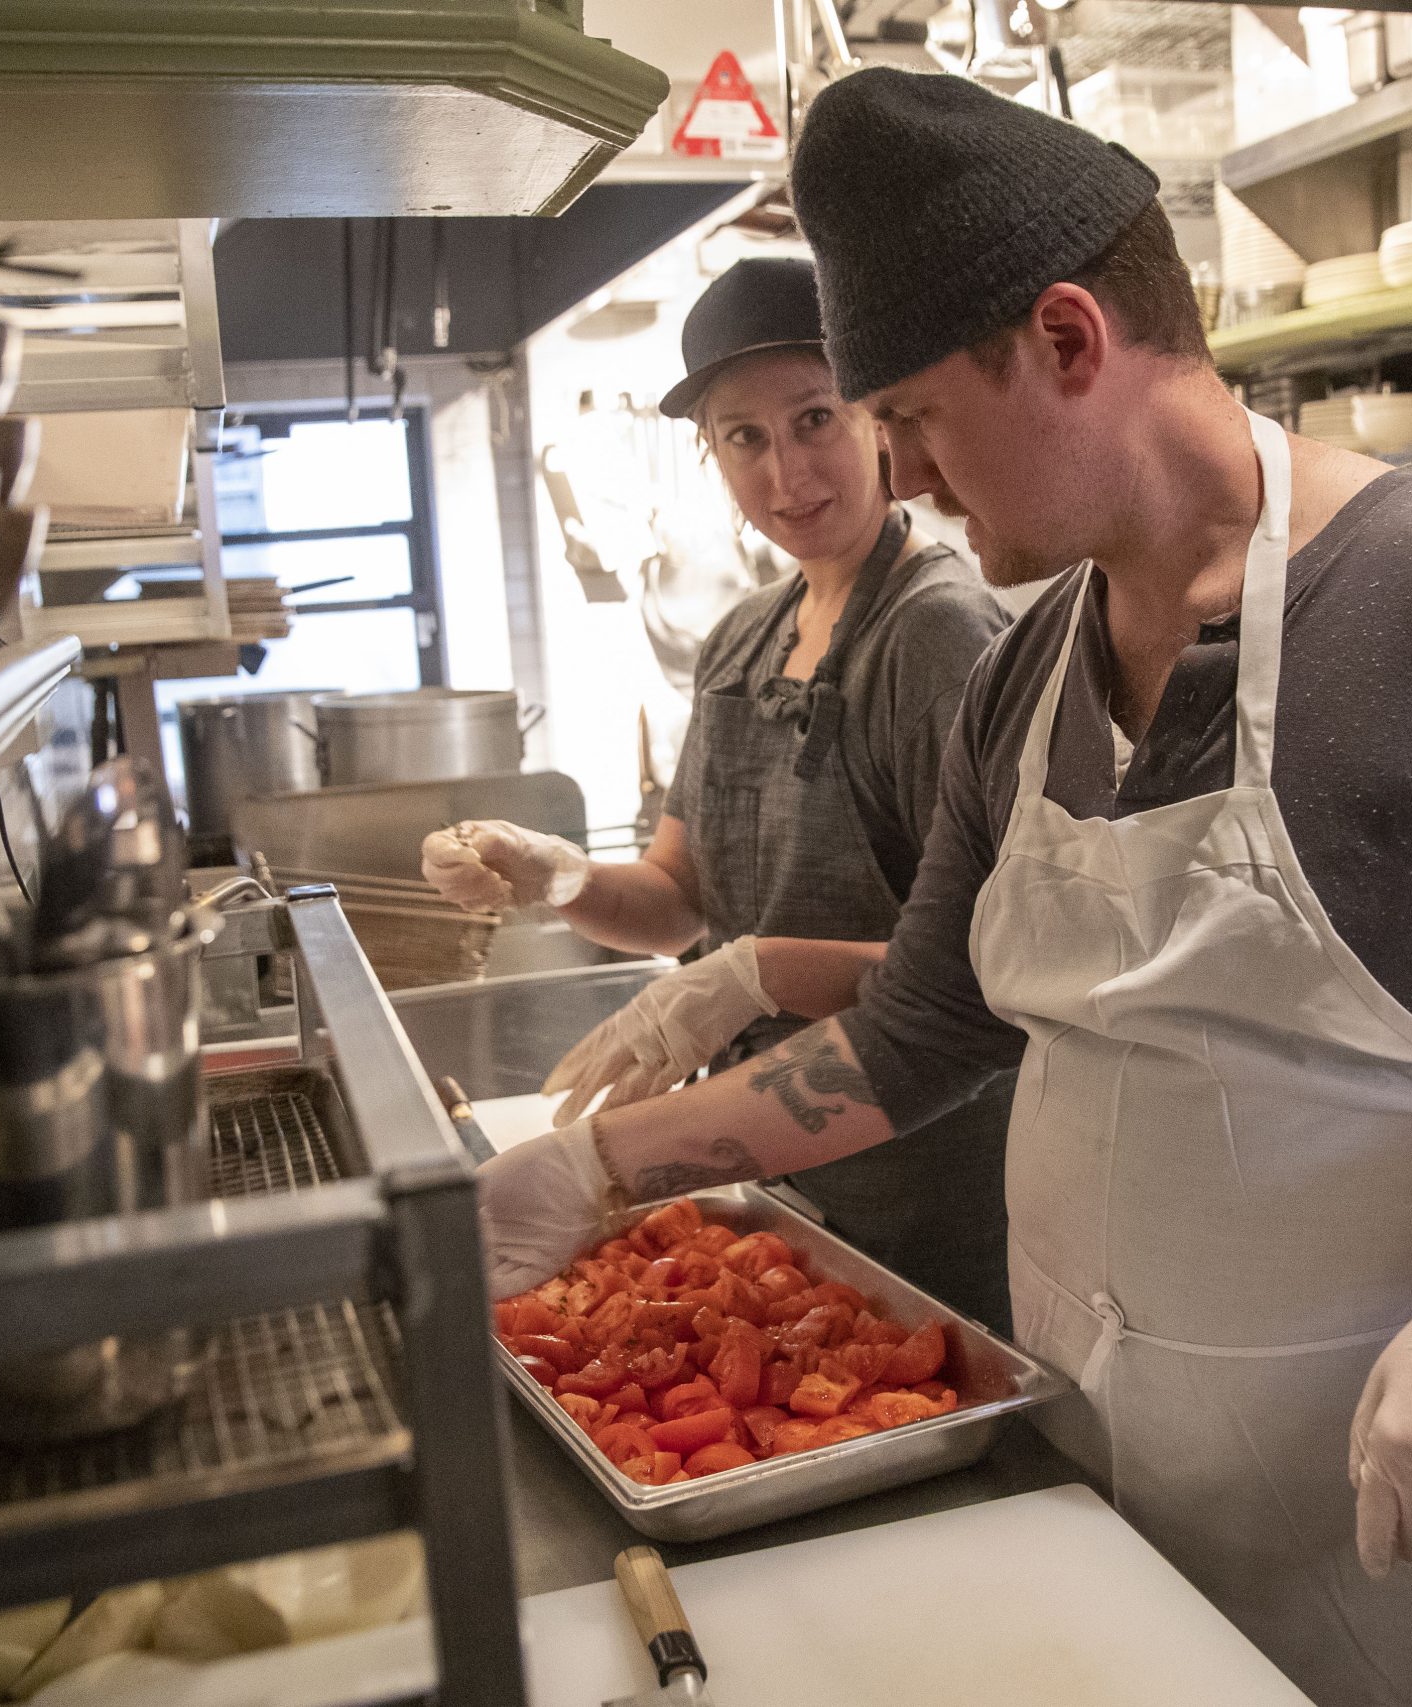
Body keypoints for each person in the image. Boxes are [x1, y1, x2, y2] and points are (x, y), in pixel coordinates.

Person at [475, 70, 1412, 1706]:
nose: (900, 477)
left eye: (908, 417)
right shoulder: (1026, 678)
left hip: (1407, 1502)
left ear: (1064, 341)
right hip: (1101, 1481)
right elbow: (919, 1033)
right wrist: (606, 1166)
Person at [423, 257, 1017, 1331]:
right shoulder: (742, 638)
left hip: (924, 1174)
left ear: (879, 419)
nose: (786, 473)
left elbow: (999, 971)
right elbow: (674, 898)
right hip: (770, 1164)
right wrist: (554, 874)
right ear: (709, 454)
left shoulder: (937, 634)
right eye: (743, 438)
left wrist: (758, 974)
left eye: (813, 419)